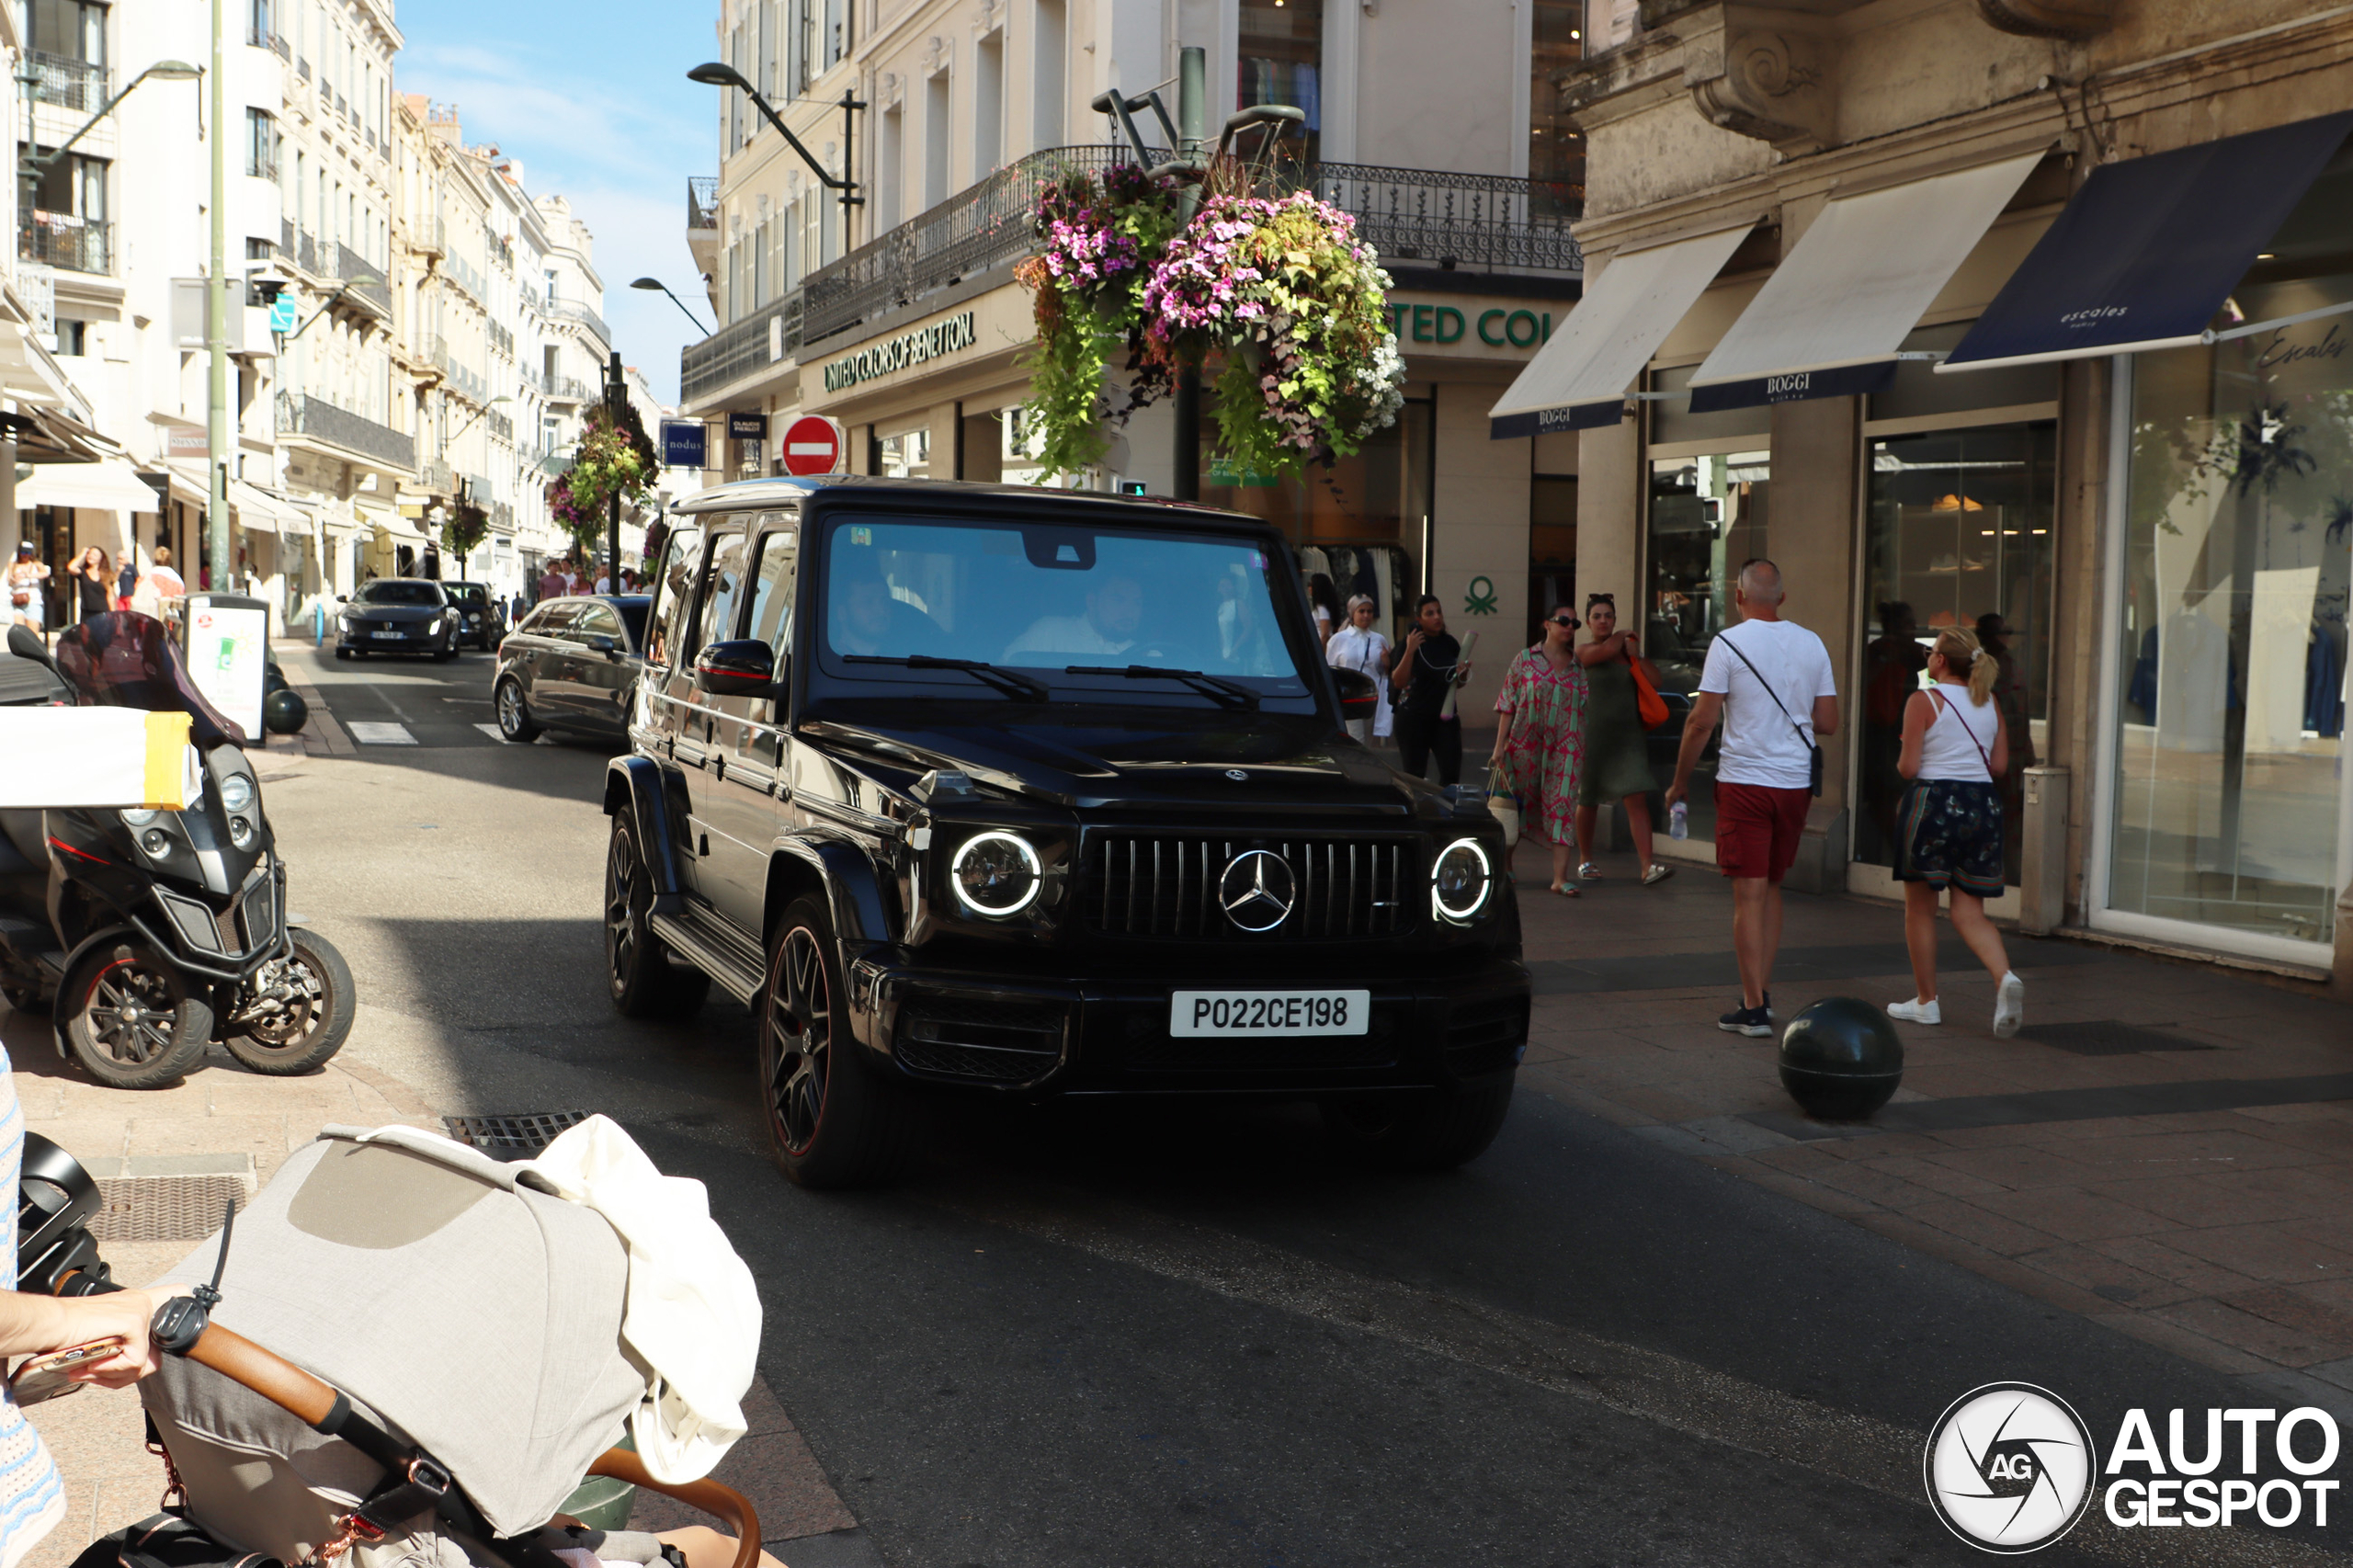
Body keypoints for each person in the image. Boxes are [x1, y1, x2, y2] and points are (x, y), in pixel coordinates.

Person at [1664, 560, 1839, 1038]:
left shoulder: (1728, 643)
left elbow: (1701, 722)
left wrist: (1680, 781)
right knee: (1773, 887)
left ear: (1738, 597)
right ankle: (1761, 990)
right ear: (1781, 598)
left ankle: (1753, 1007)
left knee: (1748, 892)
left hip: (1745, 782)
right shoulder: (1812, 643)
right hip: (1794, 785)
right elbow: (1827, 722)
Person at [1889, 626, 2026, 1037]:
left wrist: (1905, 742)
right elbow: (1999, 767)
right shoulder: (1990, 703)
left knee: (1920, 910)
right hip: (1981, 807)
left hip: (1933, 805)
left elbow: (1908, 769)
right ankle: (2004, 978)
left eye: (1931, 653)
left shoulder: (1923, 700)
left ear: (1941, 661)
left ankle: (1926, 1001)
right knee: (1969, 912)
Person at [1574, 594, 1672, 887]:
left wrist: (1635, 656)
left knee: (1636, 795)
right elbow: (1600, 655)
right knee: (1588, 798)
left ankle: (1646, 866)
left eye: (1609, 616)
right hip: (1593, 737)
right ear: (1589, 622)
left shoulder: (1627, 655)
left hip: (1628, 738)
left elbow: (1656, 681)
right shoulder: (1584, 651)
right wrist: (1620, 636)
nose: (1603, 621)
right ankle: (1585, 859)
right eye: (1597, 616)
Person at [1490, 604, 1587, 894]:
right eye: (1564, 621)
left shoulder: (1577, 666)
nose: (1570, 627)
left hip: (1565, 750)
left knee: (1562, 806)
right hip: (1524, 746)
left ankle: (1559, 878)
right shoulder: (1524, 660)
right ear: (1547, 624)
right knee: (1516, 807)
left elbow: (1583, 710)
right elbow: (1508, 704)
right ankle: (1506, 865)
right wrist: (1499, 747)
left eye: (1575, 623)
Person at [1862, 602, 1928, 857]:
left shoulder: (1886, 649)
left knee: (1890, 794)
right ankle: (1901, 849)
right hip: (1885, 733)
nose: (1913, 628)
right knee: (1888, 794)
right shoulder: (1892, 649)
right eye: (1909, 624)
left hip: (1888, 731)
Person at [1390, 595, 1471, 785]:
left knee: (1451, 773)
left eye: (1439, 612)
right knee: (1414, 775)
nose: (1437, 617)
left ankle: (1445, 810)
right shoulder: (1411, 642)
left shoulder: (1449, 643)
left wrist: (1463, 674)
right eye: (1430, 614)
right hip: (1414, 717)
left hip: (1444, 716)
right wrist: (1410, 650)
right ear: (1419, 619)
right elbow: (1398, 681)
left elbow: (1458, 683)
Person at [1002, 574, 1143, 662]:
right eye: (1118, 600)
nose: (1130, 611)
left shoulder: (1148, 655)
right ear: (1092, 602)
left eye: (1137, 602)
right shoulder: (1050, 631)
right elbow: (1006, 671)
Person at [1325, 595, 1393, 745]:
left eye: (1369, 611)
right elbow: (1329, 669)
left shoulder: (1379, 639)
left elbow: (1383, 672)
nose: (1366, 615)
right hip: (1349, 698)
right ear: (1352, 613)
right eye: (1361, 611)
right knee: (1357, 739)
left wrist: (1387, 664)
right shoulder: (1339, 639)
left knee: (1369, 742)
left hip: (1371, 698)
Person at [6, 541, 49, 633]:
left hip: (33, 601)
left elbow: (45, 574)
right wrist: (14, 579)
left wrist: (28, 575)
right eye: (23, 552)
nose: (25, 555)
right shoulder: (13, 564)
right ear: (19, 552)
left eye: (28, 553)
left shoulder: (36, 564)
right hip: (17, 601)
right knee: (19, 632)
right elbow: (9, 581)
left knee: (33, 633)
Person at [70, 546, 111, 624]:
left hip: (103, 612)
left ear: (101, 559)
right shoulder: (83, 572)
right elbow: (71, 568)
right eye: (89, 554)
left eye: (95, 555)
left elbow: (111, 595)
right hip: (87, 612)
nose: (91, 556)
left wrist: (113, 614)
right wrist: (82, 553)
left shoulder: (106, 574)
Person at [1306, 573, 1341, 650]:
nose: (1309, 588)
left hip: (1323, 646)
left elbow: (1325, 634)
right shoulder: (1325, 607)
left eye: (1310, 585)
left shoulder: (1322, 608)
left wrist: (1319, 650)